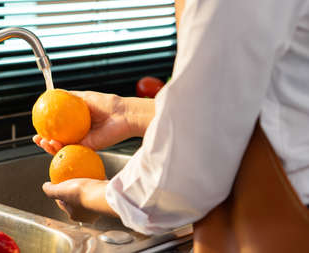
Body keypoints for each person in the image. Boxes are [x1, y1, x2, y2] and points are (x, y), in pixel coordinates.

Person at [33, 0, 309, 236]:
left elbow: (187, 176)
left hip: (286, 218)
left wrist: (90, 194)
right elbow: (265, 96)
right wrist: (128, 113)